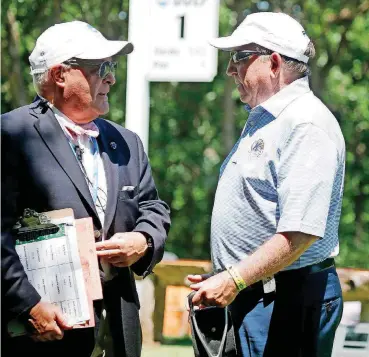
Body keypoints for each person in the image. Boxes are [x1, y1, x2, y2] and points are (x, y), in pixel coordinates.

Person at [1, 21, 170, 357]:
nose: (111, 78)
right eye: (100, 68)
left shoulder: (127, 142)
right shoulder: (10, 135)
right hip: (43, 333)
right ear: (60, 75)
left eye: (112, 67)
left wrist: (144, 240)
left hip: (117, 330)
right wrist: (28, 306)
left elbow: (153, 207)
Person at [188, 12, 345, 357]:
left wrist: (234, 278)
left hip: (286, 297)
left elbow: (300, 232)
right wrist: (228, 276)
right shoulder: (271, 118)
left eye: (239, 58)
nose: (230, 70)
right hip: (261, 292)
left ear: (273, 63)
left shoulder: (306, 123)